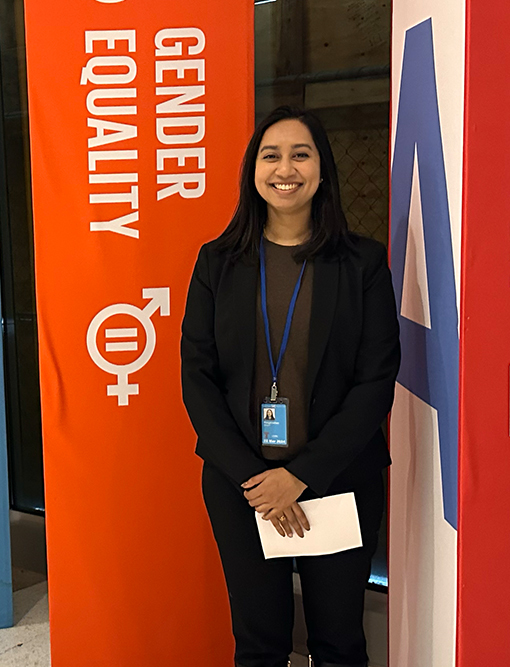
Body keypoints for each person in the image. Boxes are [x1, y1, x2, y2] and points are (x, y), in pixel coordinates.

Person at [180, 105, 400, 667]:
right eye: (270, 154)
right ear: (252, 171)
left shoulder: (363, 263)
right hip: (242, 488)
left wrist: (299, 476)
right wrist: (259, 482)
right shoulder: (217, 263)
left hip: (337, 481)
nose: (286, 168)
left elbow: (376, 382)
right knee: (258, 644)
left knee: (338, 643)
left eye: (301, 154)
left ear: (323, 171)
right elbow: (197, 378)